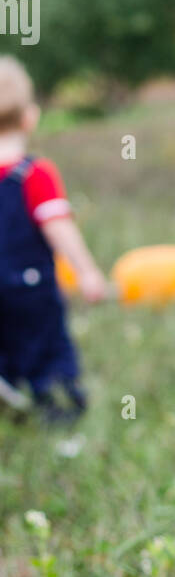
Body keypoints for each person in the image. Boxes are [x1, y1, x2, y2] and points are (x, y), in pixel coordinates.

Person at [0, 56, 109, 423]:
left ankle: (10, 389)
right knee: (46, 347)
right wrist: (87, 273)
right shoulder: (34, 174)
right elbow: (59, 227)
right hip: (30, 288)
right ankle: (58, 408)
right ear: (30, 117)